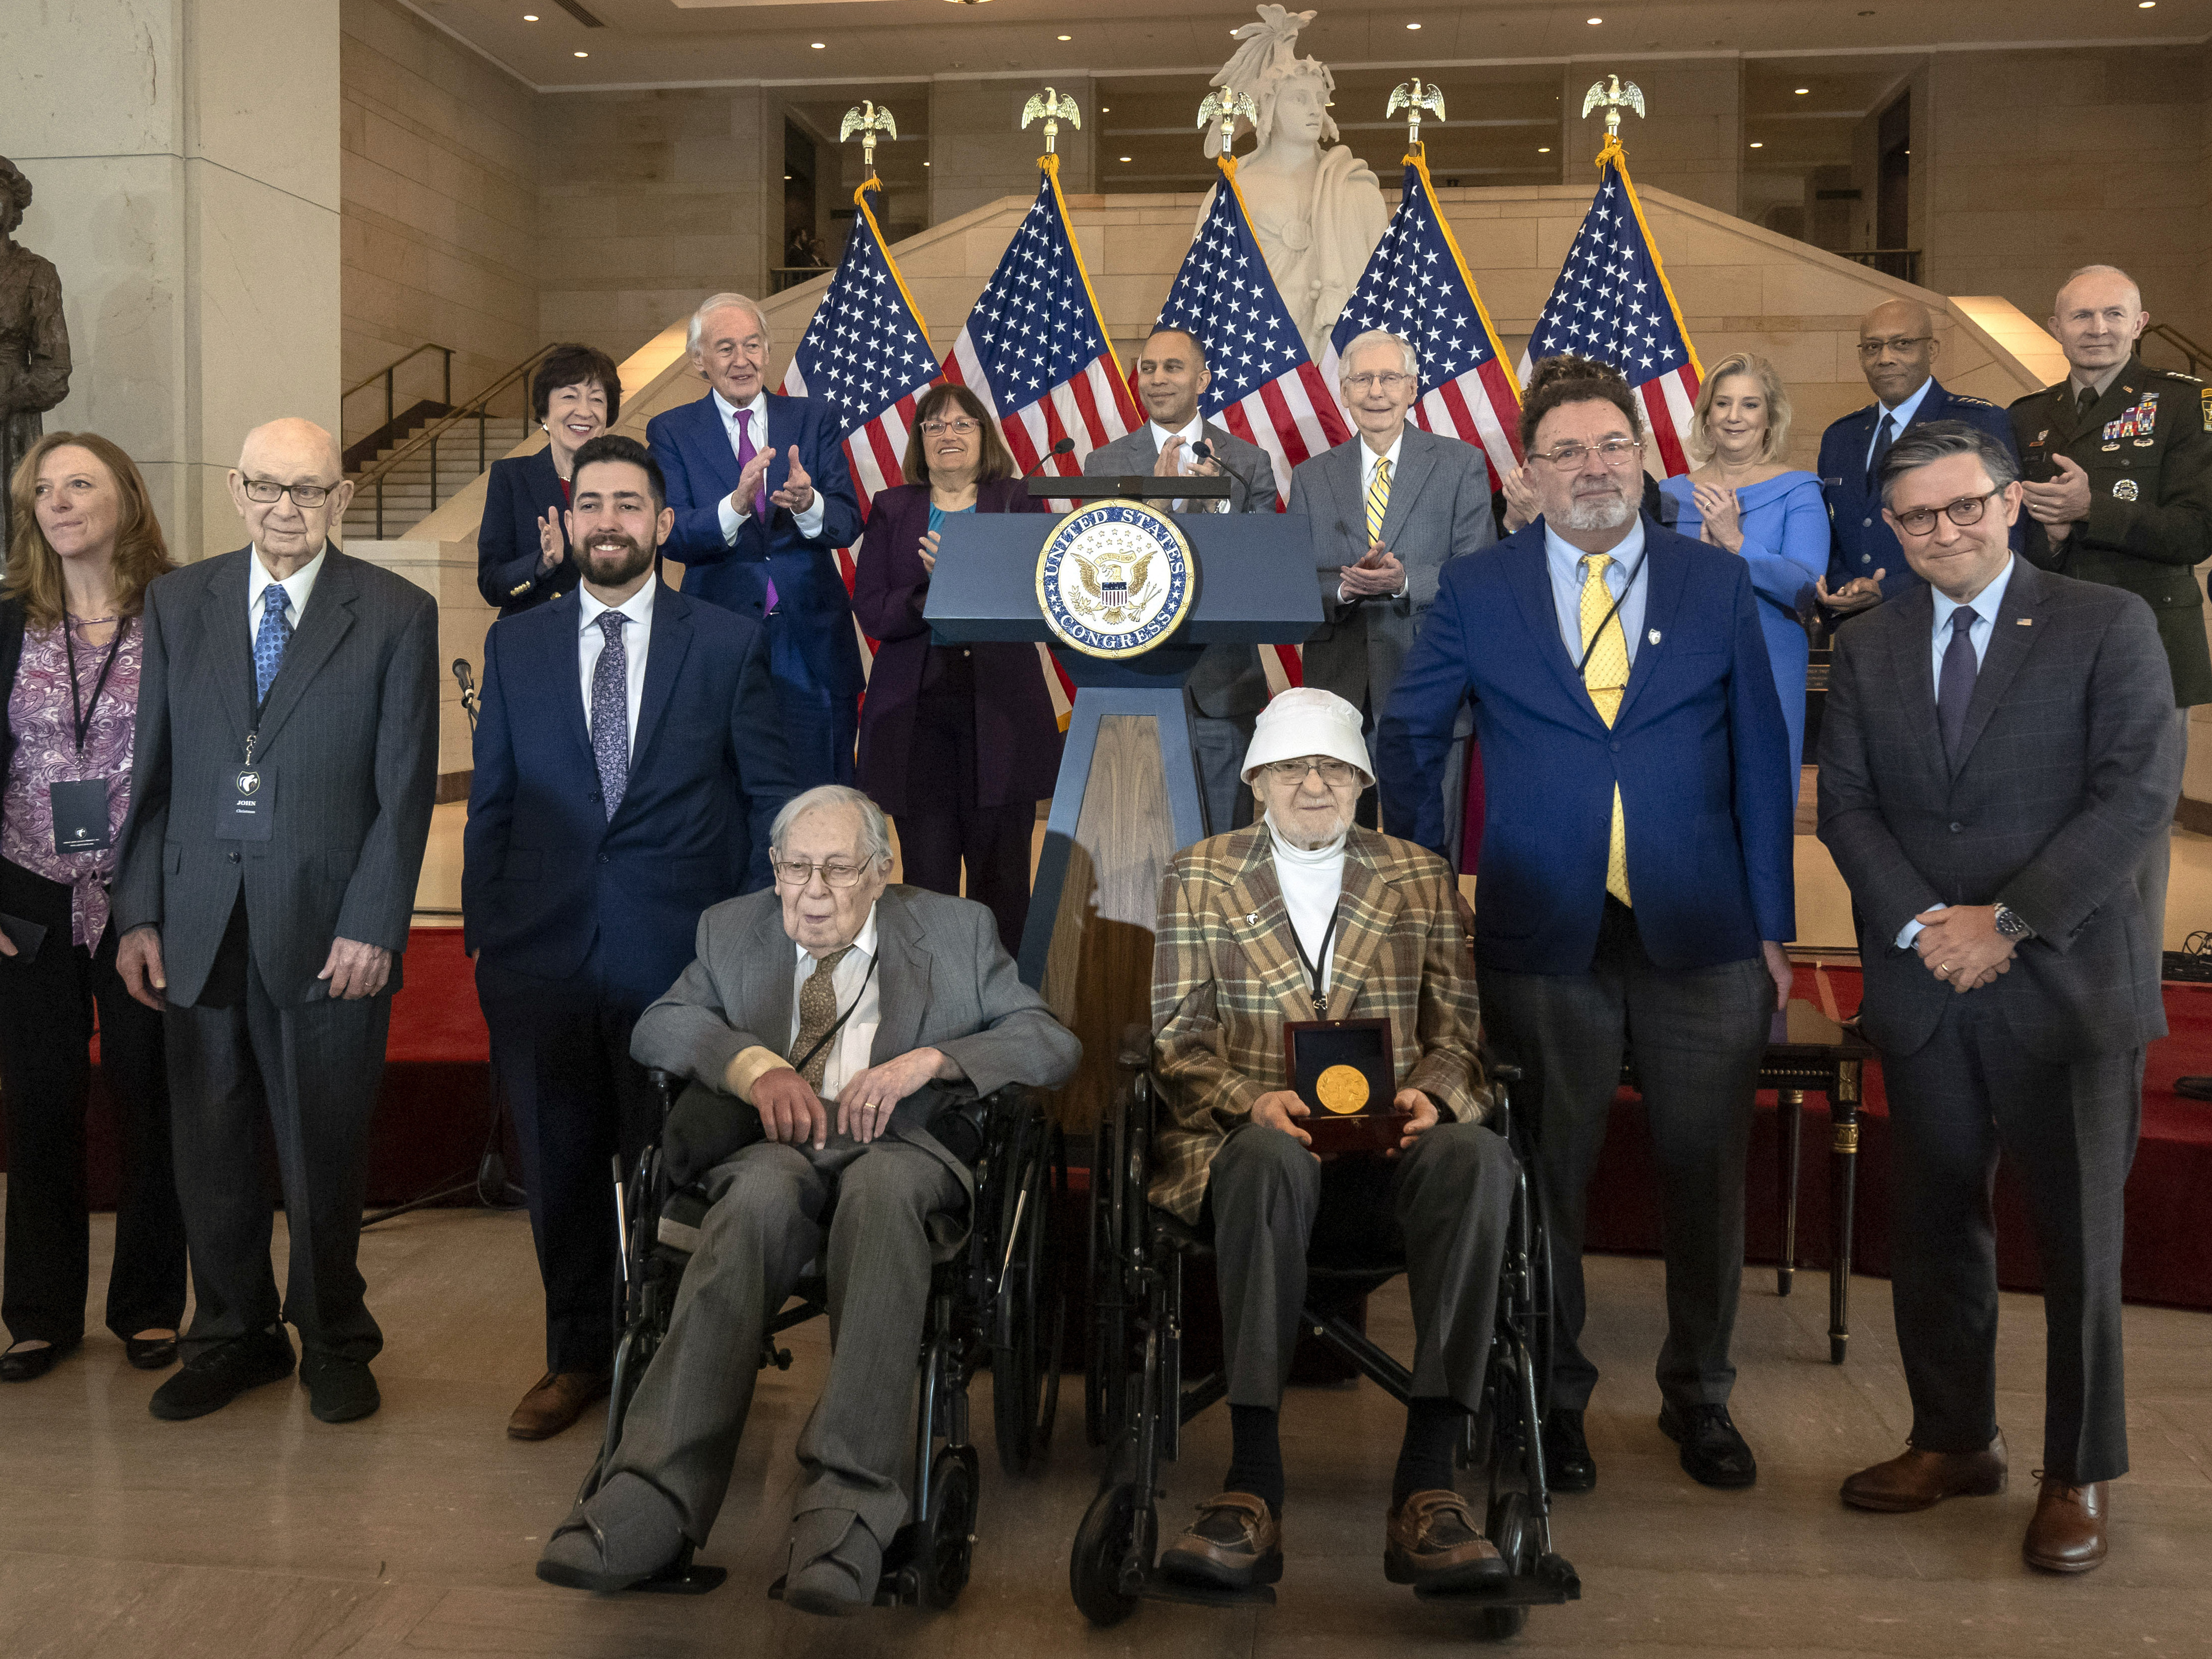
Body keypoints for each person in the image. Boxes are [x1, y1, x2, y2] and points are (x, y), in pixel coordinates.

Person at [1375, 355, 1794, 1496]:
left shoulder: (1713, 584)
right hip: (1540, 932)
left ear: (1643, 458)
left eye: (1611, 444)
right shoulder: (1478, 587)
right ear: (1530, 472)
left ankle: (1698, 1395)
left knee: (1702, 1171)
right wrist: (1426, 886)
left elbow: (1760, 752)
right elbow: (1408, 735)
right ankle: (1548, 1399)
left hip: (1703, 931)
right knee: (1545, 1180)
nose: (1593, 466)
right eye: (1566, 450)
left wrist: (1772, 921)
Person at [534, 785, 1080, 1614]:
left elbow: (1048, 1041)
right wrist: (752, 1066)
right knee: (752, 1201)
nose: (812, 893)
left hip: (898, 1152)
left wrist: (930, 1062)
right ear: (774, 868)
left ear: (880, 871)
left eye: (835, 870)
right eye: (795, 869)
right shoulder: (732, 928)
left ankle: (846, 1510)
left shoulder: (955, 931)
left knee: (882, 1195)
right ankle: (649, 1498)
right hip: (775, 1153)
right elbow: (662, 1026)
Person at [1818, 421, 2181, 1574]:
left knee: (2075, 1242)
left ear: (2009, 497)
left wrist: (2006, 923)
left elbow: (2135, 796)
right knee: (1932, 1228)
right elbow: (1847, 807)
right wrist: (1932, 928)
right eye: (1917, 516)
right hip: (1928, 987)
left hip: (2064, 986)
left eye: (1963, 505)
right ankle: (1949, 1439)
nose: (1943, 530)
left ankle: (2074, 1471)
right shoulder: (1869, 642)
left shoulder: (2103, 623)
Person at [1147, 687, 1516, 1595]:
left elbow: (1458, 1036)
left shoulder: (1416, 874)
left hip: (1391, 1155)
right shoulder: (1199, 874)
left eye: (1332, 768)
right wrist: (1248, 1101)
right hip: (1252, 1155)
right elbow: (1174, 1043)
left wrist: (1434, 1096)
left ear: (1360, 782)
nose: (1311, 784)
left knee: (1479, 1158)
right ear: (1256, 781)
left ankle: (1429, 1482)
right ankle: (1252, 1481)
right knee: (1269, 1156)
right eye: (1289, 768)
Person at [465, 434, 795, 1442]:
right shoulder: (517, 645)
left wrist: (741, 952)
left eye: (629, 504)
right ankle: (574, 1355)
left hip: (678, 963)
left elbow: (769, 798)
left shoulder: (727, 640)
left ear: (661, 523)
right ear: (566, 524)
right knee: (559, 1168)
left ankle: (679, 1357)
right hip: (540, 955)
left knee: (677, 1172)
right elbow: (494, 801)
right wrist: (488, 937)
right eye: (590, 503)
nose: (608, 521)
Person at [111, 417, 438, 1426]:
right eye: (268, 488)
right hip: (200, 918)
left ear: (341, 498)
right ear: (235, 487)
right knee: (208, 1147)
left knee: (322, 1146)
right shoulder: (179, 601)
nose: (286, 510)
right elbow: (153, 769)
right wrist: (140, 909)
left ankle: (335, 1335)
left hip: (328, 931)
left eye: (309, 491)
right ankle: (231, 1334)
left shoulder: (393, 612)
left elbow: (404, 790)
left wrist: (376, 923)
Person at [0, 433, 184, 1383]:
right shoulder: (6, 621)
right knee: (38, 1102)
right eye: (44, 489)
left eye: (81, 483)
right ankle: (37, 1313)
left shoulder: (179, 614)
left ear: (127, 498)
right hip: (24, 897)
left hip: (141, 895)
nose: (61, 502)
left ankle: (151, 1308)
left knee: (150, 1096)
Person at [2007, 264, 2210, 965]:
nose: (2096, 330)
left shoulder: (2181, 405)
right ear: (2055, 325)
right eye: (2081, 317)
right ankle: (2053, 966)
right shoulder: (2026, 416)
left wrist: (2095, 512)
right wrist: (2052, 535)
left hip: (2151, 639)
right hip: (2053, 641)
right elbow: (2015, 538)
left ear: (2140, 323)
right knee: (2051, 810)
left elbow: (2194, 530)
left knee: (2139, 820)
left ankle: (2131, 979)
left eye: (2111, 316)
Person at [851, 383, 1058, 957]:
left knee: (1004, 884)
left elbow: (1037, 596)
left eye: (962, 424)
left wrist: (967, 572)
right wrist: (933, 589)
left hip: (1002, 714)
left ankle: (1008, 1020)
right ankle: (932, 1010)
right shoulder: (893, 507)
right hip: (916, 719)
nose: (948, 435)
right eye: (935, 426)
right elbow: (872, 607)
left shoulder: (1015, 500)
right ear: (920, 440)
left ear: (983, 435)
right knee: (928, 882)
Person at [646, 293, 863, 790]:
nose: (741, 360)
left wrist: (809, 504)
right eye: (725, 348)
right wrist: (734, 507)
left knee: (822, 796)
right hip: (719, 640)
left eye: (751, 345)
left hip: (810, 640)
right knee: (727, 795)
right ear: (699, 361)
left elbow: (848, 521)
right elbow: (672, 535)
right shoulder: (672, 431)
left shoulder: (813, 419)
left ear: (767, 351)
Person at [1287, 330, 1493, 831]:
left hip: (1426, 683)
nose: (1375, 391)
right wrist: (1343, 588)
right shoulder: (1312, 476)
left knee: (1423, 853)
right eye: (1362, 379)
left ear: (1411, 388)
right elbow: (1290, 582)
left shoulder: (1460, 463)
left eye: (1388, 378)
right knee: (1335, 849)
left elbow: (1480, 573)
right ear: (1345, 392)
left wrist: (1405, 582)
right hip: (1337, 692)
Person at [1083, 326, 1279, 835]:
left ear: (1202, 378)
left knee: (1221, 846)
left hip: (1221, 690)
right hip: (1132, 686)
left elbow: (1262, 572)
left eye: (1172, 367)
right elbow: (1096, 580)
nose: (1157, 380)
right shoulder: (1104, 464)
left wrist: (1214, 510)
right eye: (1148, 368)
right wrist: (1150, 515)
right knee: (1135, 845)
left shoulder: (1246, 464)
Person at [1659, 352, 1828, 780]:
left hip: (1769, 663)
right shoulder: (1668, 494)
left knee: (1763, 793)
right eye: (1723, 403)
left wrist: (1736, 542)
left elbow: (1805, 590)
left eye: (1750, 405)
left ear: (1770, 418)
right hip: (1680, 665)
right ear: (1706, 415)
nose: (1735, 417)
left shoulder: (1799, 489)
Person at [1814, 299, 2016, 618]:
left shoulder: (1978, 422)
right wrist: (1845, 585)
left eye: (1902, 344)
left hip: (1946, 615)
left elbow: (2006, 535)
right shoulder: (1840, 436)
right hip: (1856, 624)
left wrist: (1887, 591)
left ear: (1932, 350)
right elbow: (1831, 533)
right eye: (1872, 347)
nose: (1885, 359)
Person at [476, 343, 621, 616]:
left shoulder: (627, 482)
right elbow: (491, 584)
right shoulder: (511, 477)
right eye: (569, 397)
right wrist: (543, 562)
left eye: (597, 399)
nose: (584, 411)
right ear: (544, 412)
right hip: (536, 638)